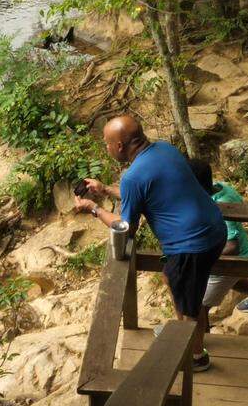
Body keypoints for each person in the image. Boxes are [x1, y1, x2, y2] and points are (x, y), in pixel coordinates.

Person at [74, 115, 226, 372]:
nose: (106, 149)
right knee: (171, 278)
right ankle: (183, 334)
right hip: (214, 228)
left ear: (120, 146)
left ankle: (196, 356)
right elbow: (149, 190)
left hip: (191, 246)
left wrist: (94, 209)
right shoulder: (164, 149)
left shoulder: (133, 176)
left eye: (107, 144)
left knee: (191, 306)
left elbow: (125, 227)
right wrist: (107, 190)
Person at [187, 159, 248, 315]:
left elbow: (232, 246)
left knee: (198, 308)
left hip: (234, 258)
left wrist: (201, 259)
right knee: (237, 281)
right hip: (241, 252)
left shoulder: (221, 206)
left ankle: (200, 338)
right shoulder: (221, 187)